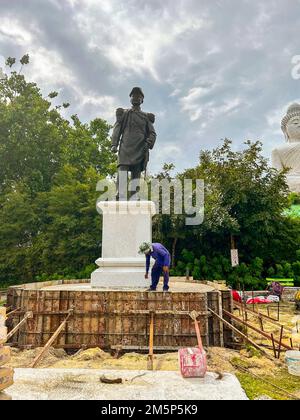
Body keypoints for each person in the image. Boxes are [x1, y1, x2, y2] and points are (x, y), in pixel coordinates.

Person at [111, 87, 156, 200]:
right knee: (122, 169)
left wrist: (149, 141)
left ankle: (134, 195)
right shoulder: (124, 113)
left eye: (139, 96)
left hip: (140, 147)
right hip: (125, 145)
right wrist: (114, 144)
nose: (136, 98)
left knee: (136, 172)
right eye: (134, 96)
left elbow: (152, 133)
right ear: (130, 98)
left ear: (142, 100)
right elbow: (117, 128)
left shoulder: (146, 117)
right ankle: (120, 193)